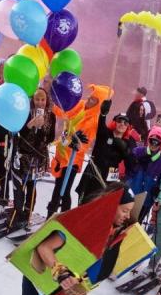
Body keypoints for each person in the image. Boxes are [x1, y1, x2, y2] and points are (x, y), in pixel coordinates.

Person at [21, 183, 134, 295]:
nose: (128, 216)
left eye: (130, 211)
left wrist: (81, 286)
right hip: (45, 289)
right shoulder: (84, 224)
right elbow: (44, 247)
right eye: (125, 210)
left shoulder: (112, 234)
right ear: (111, 206)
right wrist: (61, 273)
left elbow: (94, 272)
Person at [48, 84, 113, 217]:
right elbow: (66, 113)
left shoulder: (94, 120)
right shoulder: (81, 105)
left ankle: (59, 215)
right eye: (90, 97)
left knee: (63, 190)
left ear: (99, 104)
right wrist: (53, 107)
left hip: (73, 159)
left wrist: (76, 144)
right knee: (59, 187)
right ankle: (57, 215)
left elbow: (86, 143)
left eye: (93, 100)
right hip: (61, 153)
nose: (89, 100)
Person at [76, 100, 137, 203]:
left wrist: (126, 150)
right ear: (115, 122)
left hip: (110, 177)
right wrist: (103, 114)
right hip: (94, 172)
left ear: (128, 126)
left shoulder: (129, 141)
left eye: (125, 122)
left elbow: (131, 163)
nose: (122, 124)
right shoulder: (105, 133)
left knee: (100, 204)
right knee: (85, 202)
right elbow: (101, 125)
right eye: (119, 121)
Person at [11, 88, 56, 229]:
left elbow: (50, 138)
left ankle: (27, 212)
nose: (40, 102)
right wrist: (30, 125)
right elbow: (18, 132)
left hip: (38, 156)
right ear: (33, 100)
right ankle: (18, 211)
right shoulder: (25, 112)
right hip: (23, 153)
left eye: (43, 100)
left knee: (31, 185)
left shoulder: (51, 116)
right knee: (19, 184)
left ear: (46, 100)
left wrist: (42, 128)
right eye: (37, 99)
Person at [125, 126, 161, 223]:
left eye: (157, 142)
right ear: (148, 139)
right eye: (152, 140)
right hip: (130, 196)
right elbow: (127, 170)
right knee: (122, 223)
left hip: (146, 200)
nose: (154, 144)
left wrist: (158, 193)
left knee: (135, 225)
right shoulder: (137, 151)